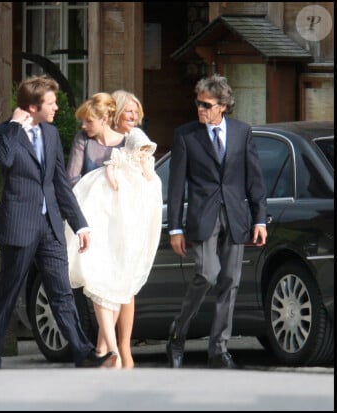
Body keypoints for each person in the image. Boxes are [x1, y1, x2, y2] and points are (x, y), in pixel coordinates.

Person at [0, 75, 117, 369]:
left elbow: (59, 182)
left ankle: (83, 353)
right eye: (51, 103)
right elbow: (3, 160)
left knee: (61, 292)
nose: (56, 108)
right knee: (8, 291)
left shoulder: (52, 134)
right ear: (32, 106)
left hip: (50, 227)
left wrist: (79, 224)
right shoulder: (2, 134)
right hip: (19, 226)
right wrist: (15, 127)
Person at [166, 74, 267, 369]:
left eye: (206, 104)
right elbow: (175, 186)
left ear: (222, 105)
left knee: (230, 282)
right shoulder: (186, 135)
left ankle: (218, 350)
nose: (200, 109)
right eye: (197, 103)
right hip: (201, 217)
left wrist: (259, 219)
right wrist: (175, 227)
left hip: (236, 217)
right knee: (207, 274)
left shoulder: (242, 132)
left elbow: (255, 180)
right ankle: (178, 332)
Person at [66, 127, 162, 368]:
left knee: (120, 289)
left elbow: (151, 185)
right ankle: (110, 349)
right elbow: (107, 178)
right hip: (102, 225)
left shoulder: (144, 169)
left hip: (127, 236)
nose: (142, 155)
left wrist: (144, 171)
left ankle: (109, 349)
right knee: (101, 284)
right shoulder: (113, 160)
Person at [110, 89, 146, 368]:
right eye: (128, 111)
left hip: (132, 219)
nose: (133, 116)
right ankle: (108, 346)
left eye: (136, 112)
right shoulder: (103, 140)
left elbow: (148, 174)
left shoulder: (138, 139)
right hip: (107, 219)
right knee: (107, 286)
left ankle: (125, 347)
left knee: (128, 285)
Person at [66, 92, 125, 187]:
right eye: (83, 120)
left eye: (89, 121)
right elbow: (72, 178)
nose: (83, 126)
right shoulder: (83, 138)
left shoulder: (126, 142)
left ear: (104, 119)